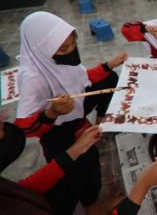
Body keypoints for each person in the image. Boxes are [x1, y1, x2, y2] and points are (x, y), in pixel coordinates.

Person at [15, 11, 127, 162]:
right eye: (63, 49)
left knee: (111, 76)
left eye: (73, 44)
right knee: (72, 162)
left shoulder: (61, 58)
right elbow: (22, 127)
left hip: (77, 104)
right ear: (41, 49)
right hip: (57, 125)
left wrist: (109, 66)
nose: (71, 50)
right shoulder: (32, 78)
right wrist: (52, 113)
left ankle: (100, 118)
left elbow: (83, 78)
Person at [0, 121, 157, 215]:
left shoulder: (9, 195)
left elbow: (24, 189)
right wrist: (143, 184)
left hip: (40, 203)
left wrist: (75, 150)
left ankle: (93, 209)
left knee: (85, 154)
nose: (3, 120)